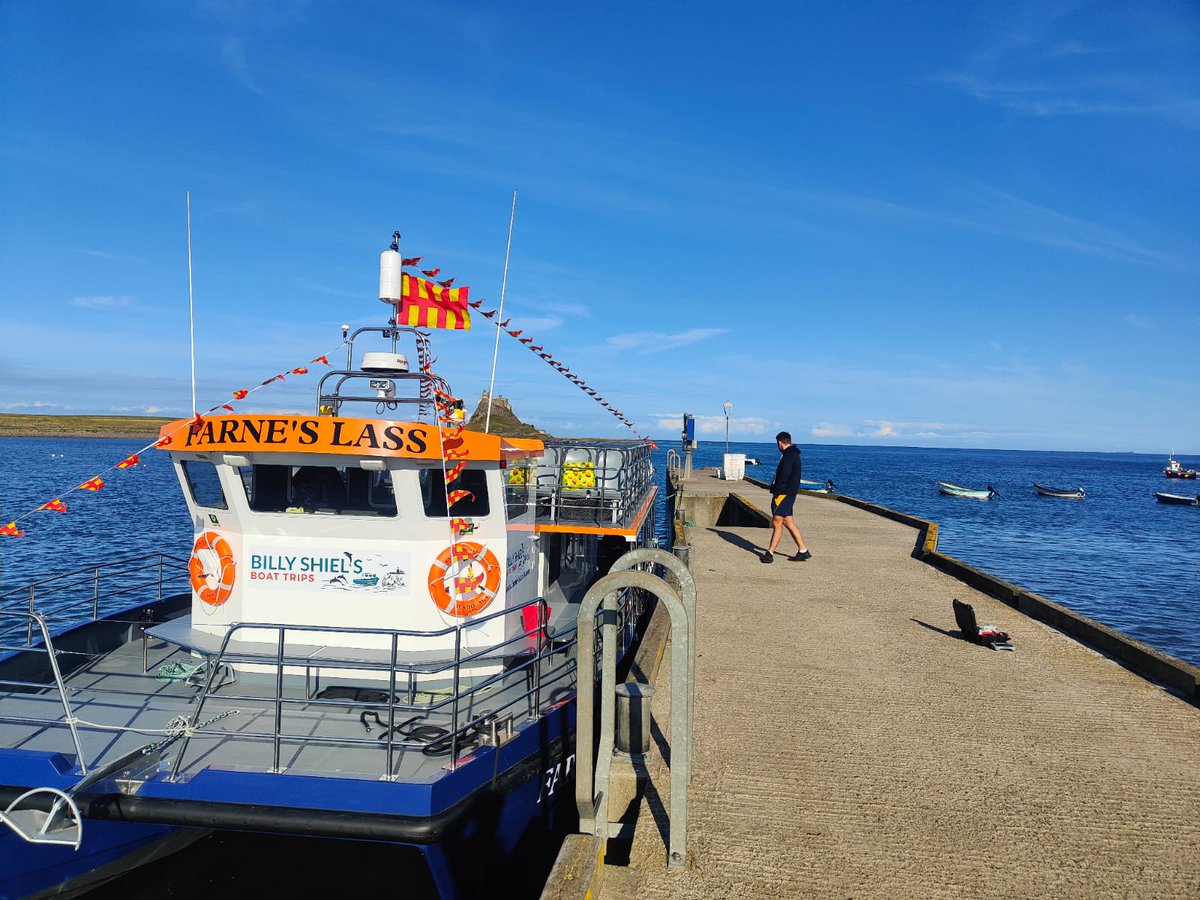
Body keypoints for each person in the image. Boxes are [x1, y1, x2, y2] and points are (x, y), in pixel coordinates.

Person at [761, 431, 812, 563]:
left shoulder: (788, 457)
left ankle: (769, 553)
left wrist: (776, 491)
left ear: (779, 442)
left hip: (783, 494)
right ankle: (803, 550)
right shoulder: (793, 455)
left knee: (777, 522)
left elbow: (783, 476)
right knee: (788, 522)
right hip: (789, 493)